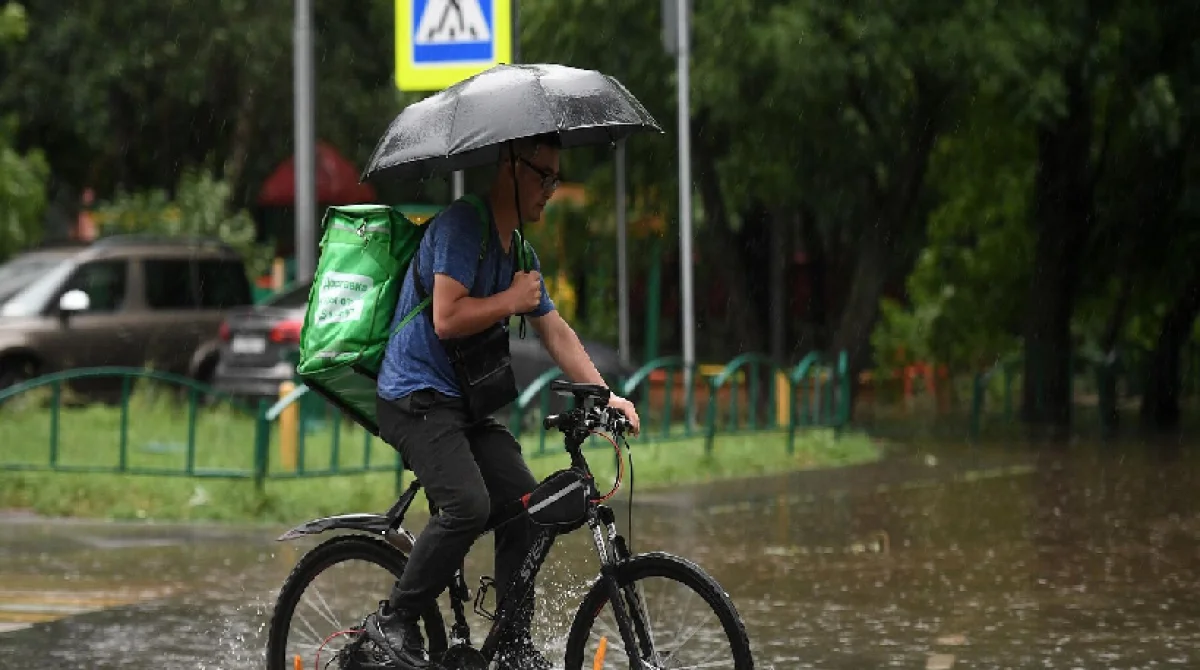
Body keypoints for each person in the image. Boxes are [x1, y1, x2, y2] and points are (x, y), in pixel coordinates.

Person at [367, 132, 641, 670]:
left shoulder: (517, 250)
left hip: (461, 407)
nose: (551, 191)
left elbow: (555, 331)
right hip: (414, 398)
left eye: (556, 180)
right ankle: (394, 620)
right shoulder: (461, 226)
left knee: (527, 508)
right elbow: (446, 318)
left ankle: (513, 645)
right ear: (511, 168)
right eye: (545, 177)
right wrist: (509, 300)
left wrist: (606, 395)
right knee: (467, 505)